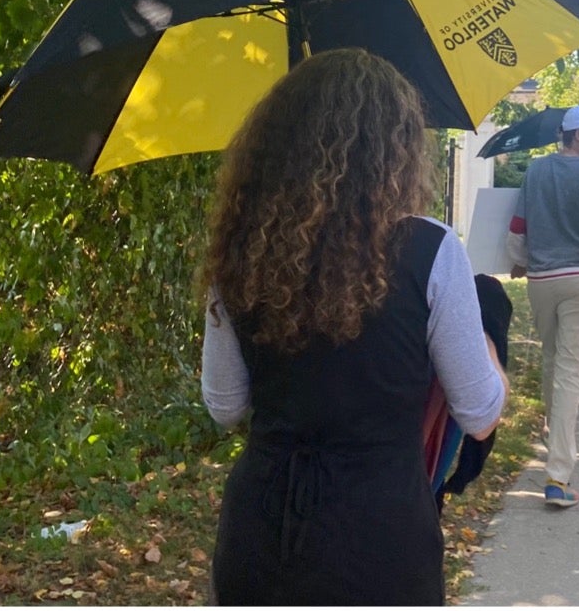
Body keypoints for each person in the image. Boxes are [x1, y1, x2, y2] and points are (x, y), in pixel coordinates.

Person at [199, 49, 507, 605]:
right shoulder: (430, 250)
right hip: (381, 537)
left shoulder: (242, 251)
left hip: (262, 529)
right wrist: (487, 348)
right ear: (396, 149)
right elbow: (480, 414)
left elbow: (224, 405)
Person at [506, 103, 579, 508]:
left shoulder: (536, 170)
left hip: (541, 278)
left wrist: (518, 261)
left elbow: (518, 225)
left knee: (552, 359)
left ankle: (555, 433)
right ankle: (558, 475)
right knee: (571, 370)